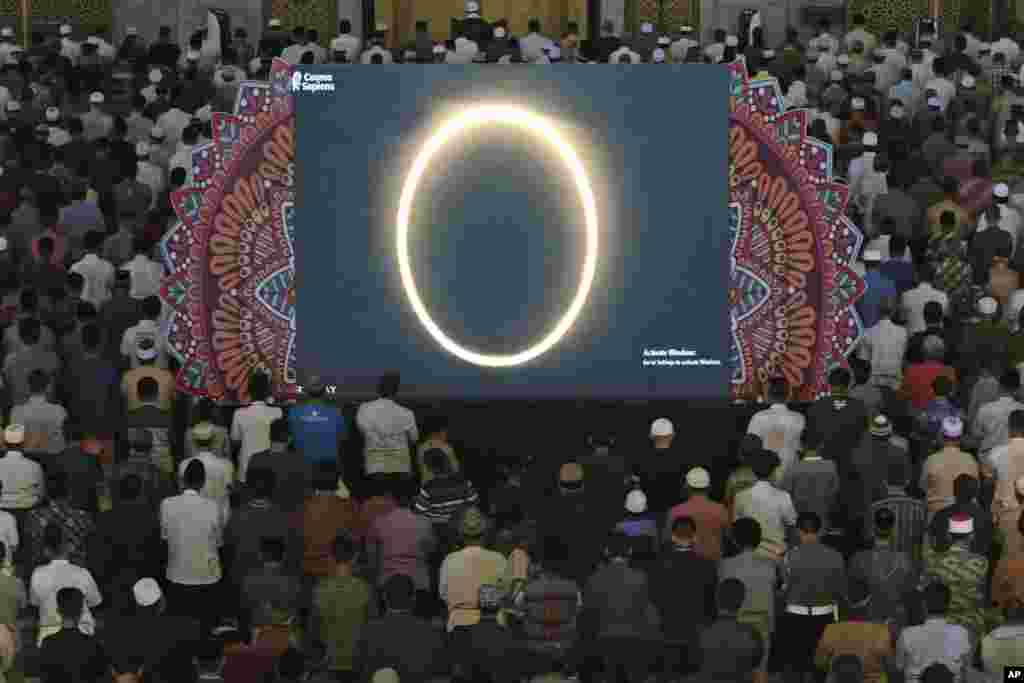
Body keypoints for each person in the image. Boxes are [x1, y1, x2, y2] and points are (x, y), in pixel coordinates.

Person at [778, 512, 846, 682]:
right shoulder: (835, 556)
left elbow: (784, 590)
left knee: (795, 668)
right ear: (820, 530)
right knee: (821, 669)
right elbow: (840, 591)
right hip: (825, 617)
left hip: (795, 618)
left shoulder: (789, 557)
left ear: (798, 531)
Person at [161, 459, 224, 636]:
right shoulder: (213, 506)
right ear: (203, 482)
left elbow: (165, 537)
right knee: (206, 630)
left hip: (177, 575)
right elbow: (219, 543)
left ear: (182, 480)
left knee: (179, 630)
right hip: (208, 577)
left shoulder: (166, 504)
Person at [650, 516, 717, 678]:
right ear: (694, 537)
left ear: (672, 537)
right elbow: (711, 602)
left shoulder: (658, 565)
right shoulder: (707, 565)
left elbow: (653, 598)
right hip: (695, 634)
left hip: (666, 632)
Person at [313, 533, 377, 680]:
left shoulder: (320, 588)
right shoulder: (366, 589)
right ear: (355, 556)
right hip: (357, 661)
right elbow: (373, 627)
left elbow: (314, 629)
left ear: (331, 556)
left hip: (329, 661)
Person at [357, 573, 444, 680]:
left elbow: (360, 671)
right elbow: (440, 673)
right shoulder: (431, 632)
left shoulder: (368, 631)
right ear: (413, 598)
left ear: (384, 597)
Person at [366, 484, 435, 616]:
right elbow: (430, 552)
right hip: (418, 582)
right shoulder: (424, 522)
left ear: (392, 499)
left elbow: (372, 556)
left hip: (387, 582)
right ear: (414, 498)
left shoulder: (379, 522)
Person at [30, 523, 102, 646]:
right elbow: (95, 601)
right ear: (69, 547)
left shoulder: (37, 574)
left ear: (46, 550)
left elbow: (35, 602)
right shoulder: (82, 573)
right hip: (83, 632)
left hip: (48, 635)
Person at [814, 578, 893, 683]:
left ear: (846, 599)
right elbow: (890, 666)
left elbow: (819, 663)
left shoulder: (831, 630)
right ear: (868, 600)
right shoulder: (881, 631)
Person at [895, 582, 971, 683]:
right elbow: (966, 671)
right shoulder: (961, 633)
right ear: (948, 605)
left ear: (923, 605)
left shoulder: (907, 634)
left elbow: (899, 668)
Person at [733, 449, 797, 562]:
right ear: (774, 471)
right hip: (778, 555)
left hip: (750, 555)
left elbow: (737, 529)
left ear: (753, 470)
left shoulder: (740, 497)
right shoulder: (784, 497)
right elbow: (792, 527)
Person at [24, 470, 94, 572]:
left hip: (42, 575)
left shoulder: (33, 516)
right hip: (77, 573)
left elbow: (29, 551)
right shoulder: (84, 517)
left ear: (46, 493)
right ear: (69, 492)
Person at [356, 371, 418, 484]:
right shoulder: (407, 413)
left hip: (375, 468)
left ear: (378, 389)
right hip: (401, 468)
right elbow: (414, 438)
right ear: (396, 391)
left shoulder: (364, 409)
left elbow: (362, 433)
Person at [699, 578, 765, 681]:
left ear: (717, 598)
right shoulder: (753, 635)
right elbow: (756, 664)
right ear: (741, 601)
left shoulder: (702, 633)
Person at [38, 587, 109, 682]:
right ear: (80, 612)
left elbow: (44, 678)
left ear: (58, 610)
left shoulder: (48, 644)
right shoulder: (93, 644)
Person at [780, 428, 840, 533]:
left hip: (798, 524)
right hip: (822, 522)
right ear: (821, 444)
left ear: (801, 445)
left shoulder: (792, 467)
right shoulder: (831, 466)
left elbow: (784, 496)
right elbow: (834, 494)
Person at [664, 466, 728, 561]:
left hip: (684, 565)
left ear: (687, 486)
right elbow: (728, 538)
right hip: (715, 565)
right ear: (709, 487)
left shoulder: (675, 512)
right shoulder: (721, 510)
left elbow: (667, 542)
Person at [746, 376, 805, 476]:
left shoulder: (758, 417)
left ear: (768, 395)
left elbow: (750, 448)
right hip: (792, 472)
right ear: (789, 395)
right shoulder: (799, 418)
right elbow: (802, 449)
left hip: (765, 473)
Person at [921, 417, 979, 518]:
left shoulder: (931, 460)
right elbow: (976, 489)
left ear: (941, 436)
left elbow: (923, 486)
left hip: (936, 515)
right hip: (964, 516)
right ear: (961, 438)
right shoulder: (971, 460)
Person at [231, 370, 283, 484]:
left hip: (245, 471)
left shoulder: (239, 414)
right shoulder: (278, 412)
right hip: (271, 471)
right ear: (267, 391)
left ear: (249, 391)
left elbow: (235, 442)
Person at [289, 375, 344, 470]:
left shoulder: (293, 413)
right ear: (324, 391)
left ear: (306, 391)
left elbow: (289, 439)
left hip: (302, 467)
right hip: (328, 468)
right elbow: (343, 439)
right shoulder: (336, 412)